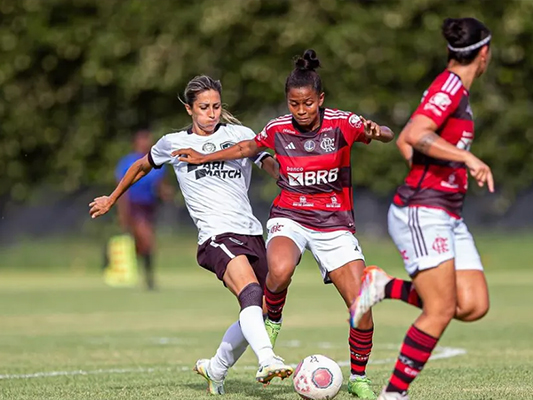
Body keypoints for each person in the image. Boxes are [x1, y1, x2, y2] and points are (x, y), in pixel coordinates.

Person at [172, 50, 394, 399]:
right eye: (294, 104)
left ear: (321, 99)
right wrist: (204, 156)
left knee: (361, 306)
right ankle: (272, 320)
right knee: (278, 269)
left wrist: (376, 131)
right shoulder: (278, 128)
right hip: (290, 216)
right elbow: (246, 146)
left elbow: (386, 134)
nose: (301, 111)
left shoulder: (343, 123)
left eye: (308, 103)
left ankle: (359, 378)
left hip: (334, 224)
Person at [89, 75, 294, 394]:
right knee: (251, 292)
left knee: (263, 306)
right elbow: (141, 166)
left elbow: (265, 160)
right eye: (203, 107)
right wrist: (112, 198)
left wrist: (287, 179)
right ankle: (267, 358)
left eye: (215, 106)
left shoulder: (240, 135)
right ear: (189, 109)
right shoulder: (172, 143)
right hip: (216, 236)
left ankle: (216, 368)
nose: (211, 113)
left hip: (251, 232)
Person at [349, 18, 495, 400]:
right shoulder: (449, 86)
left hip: (446, 212)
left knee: (474, 303)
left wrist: (436, 163)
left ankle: (384, 285)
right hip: (422, 210)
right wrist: (465, 158)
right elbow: (414, 135)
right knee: (441, 309)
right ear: (484, 53)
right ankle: (393, 394)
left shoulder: (456, 90)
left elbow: (408, 142)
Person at [113, 129, 169, 290]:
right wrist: (122, 213)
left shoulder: (156, 162)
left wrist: (165, 193)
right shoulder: (127, 162)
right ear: (136, 142)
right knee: (147, 239)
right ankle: (149, 278)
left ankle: (141, 273)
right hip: (134, 206)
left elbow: (160, 185)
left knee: (142, 243)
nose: (146, 143)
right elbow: (122, 189)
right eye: (143, 140)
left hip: (149, 206)